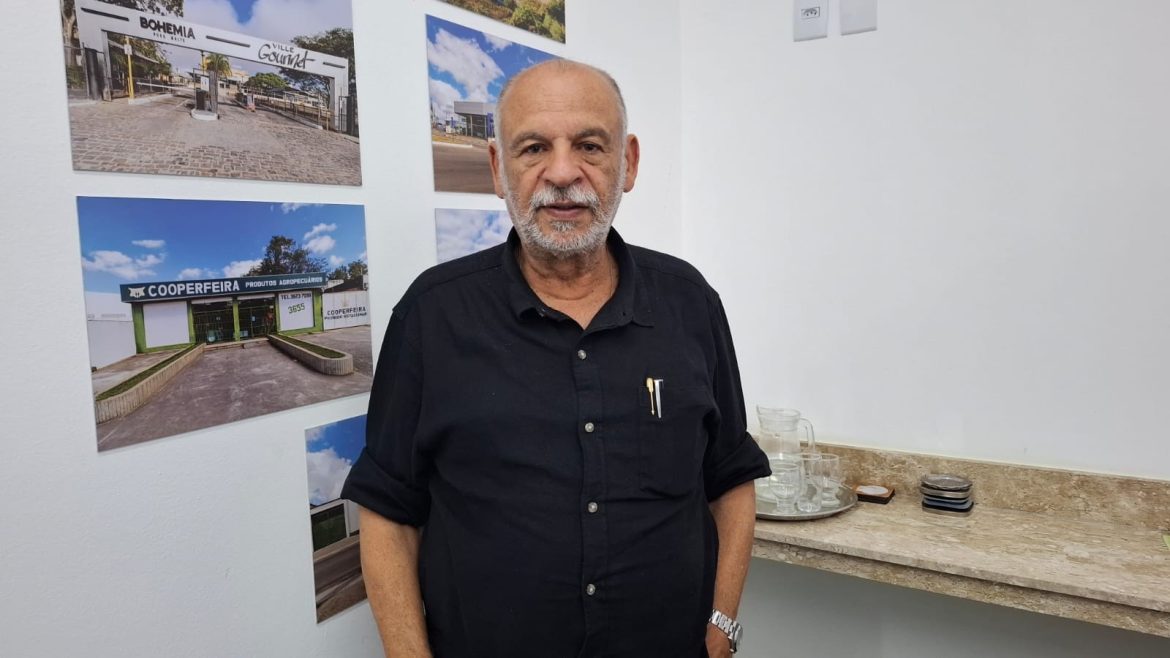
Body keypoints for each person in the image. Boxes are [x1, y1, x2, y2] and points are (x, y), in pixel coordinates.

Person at [342, 59, 769, 658]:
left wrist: (721, 630)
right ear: (498, 168)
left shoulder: (690, 302)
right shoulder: (431, 315)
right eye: (535, 147)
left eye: (590, 146)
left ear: (628, 163)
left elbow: (731, 479)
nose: (563, 173)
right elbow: (388, 514)